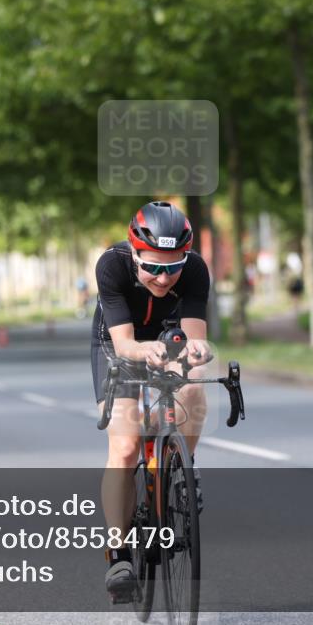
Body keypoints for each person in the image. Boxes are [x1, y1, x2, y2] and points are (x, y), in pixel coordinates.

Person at [91, 200, 212, 601]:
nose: (163, 277)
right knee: (125, 446)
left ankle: (182, 469)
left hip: (167, 336)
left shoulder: (195, 269)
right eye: (153, 266)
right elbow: (125, 342)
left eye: (172, 266)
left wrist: (198, 352)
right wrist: (145, 352)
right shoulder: (111, 265)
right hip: (117, 343)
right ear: (135, 253)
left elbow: (195, 335)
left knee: (192, 386)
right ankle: (119, 553)